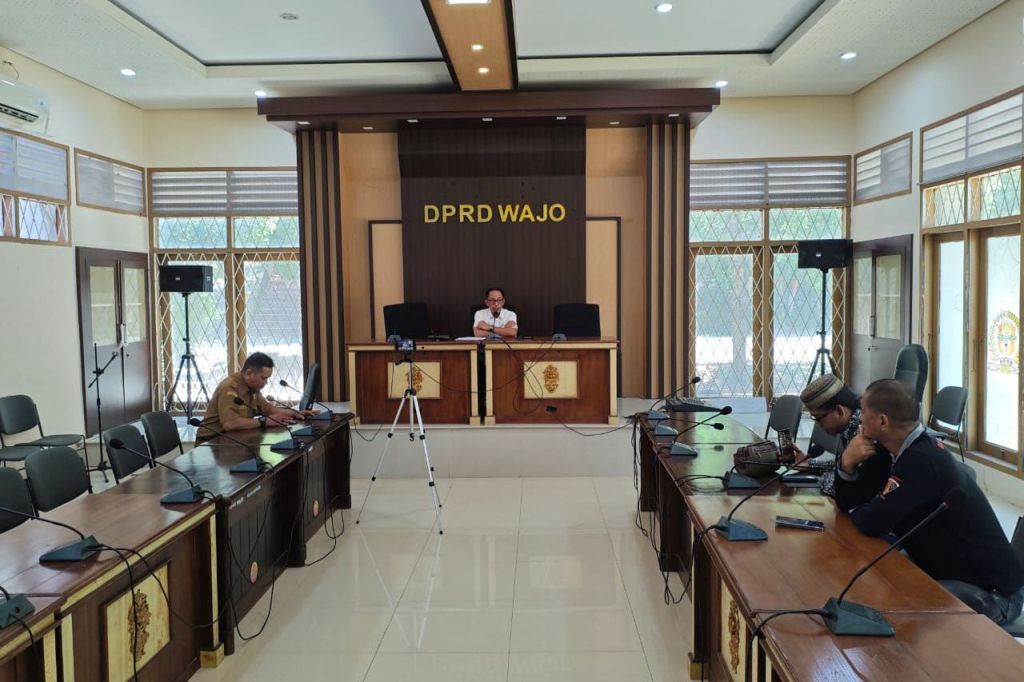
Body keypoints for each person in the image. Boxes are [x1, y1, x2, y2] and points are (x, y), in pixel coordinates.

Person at [834, 378, 1024, 626]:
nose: (859, 419)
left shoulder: (922, 460)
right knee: (880, 586)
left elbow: (873, 523)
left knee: (901, 611)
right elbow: (849, 503)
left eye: (863, 412)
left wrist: (862, 509)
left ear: (882, 422)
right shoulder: (889, 450)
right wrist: (847, 464)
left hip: (993, 592)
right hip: (944, 568)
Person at [196, 352, 312, 443]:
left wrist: (295, 413)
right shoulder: (229, 387)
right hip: (211, 443)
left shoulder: (253, 387)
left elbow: (268, 409)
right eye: (263, 378)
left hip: (233, 439)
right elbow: (229, 424)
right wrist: (264, 421)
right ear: (249, 373)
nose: (266, 383)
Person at [798, 373, 862, 497]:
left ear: (839, 411)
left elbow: (835, 486)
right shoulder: (851, 423)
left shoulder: (863, 431)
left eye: (818, 418)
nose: (817, 425)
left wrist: (824, 479)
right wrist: (809, 464)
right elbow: (841, 465)